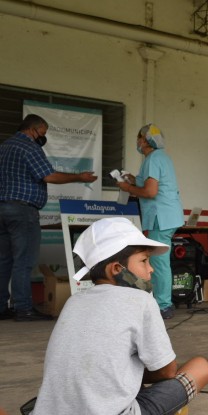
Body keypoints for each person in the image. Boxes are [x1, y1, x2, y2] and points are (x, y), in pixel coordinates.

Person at [32, 217, 208, 414]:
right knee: (201, 367)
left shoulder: (73, 301)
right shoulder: (141, 301)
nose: (151, 269)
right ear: (117, 269)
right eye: (144, 260)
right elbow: (167, 371)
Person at [0, 114, 97, 322]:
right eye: (42, 133)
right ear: (32, 130)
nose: (42, 137)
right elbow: (49, 176)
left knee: (4, 261)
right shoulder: (29, 147)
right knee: (23, 261)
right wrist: (79, 177)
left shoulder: (5, 146)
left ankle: (1, 307)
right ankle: (23, 308)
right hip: (22, 211)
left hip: (2, 209)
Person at [117, 124, 183, 319]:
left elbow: (150, 191)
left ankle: (163, 305)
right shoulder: (161, 157)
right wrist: (131, 179)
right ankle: (163, 302)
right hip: (167, 215)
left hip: (160, 217)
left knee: (159, 261)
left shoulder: (153, 158)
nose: (137, 142)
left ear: (145, 140)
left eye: (139, 138)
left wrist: (127, 188)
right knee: (160, 260)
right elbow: (148, 183)